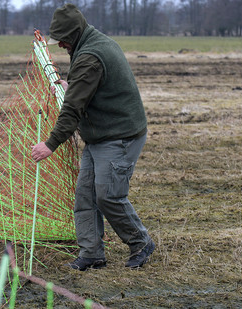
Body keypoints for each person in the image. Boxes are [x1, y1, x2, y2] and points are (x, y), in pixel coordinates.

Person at [31, 3, 155, 271]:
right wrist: (72, 86)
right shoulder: (90, 43)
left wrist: (50, 144)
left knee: (108, 195)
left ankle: (141, 242)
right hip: (100, 134)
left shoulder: (89, 57)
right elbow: (85, 89)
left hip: (120, 136)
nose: (61, 45)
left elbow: (72, 109)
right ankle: (92, 254)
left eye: (63, 40)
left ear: (74, 34)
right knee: (85, 197)